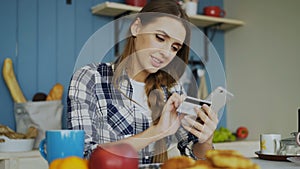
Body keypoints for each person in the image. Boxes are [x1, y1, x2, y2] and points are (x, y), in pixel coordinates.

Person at [67, 0, 218, 164]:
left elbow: (194, 156)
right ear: (136, 27)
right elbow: (84, 157)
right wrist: (157, 131)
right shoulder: (90, 78)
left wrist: (206, 139)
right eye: (160, 38)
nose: (166, 53)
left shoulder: (173, 89)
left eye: (175, 47)